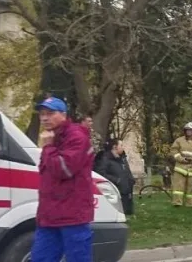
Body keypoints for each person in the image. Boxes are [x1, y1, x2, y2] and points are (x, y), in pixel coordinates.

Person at [31, 97, 95, 262]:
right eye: (42, 114)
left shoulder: (77, 137)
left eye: (50, 113)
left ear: (63, 114)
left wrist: (48, 147)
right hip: (49, 216)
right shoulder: (52, 137)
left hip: (72, 216)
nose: (45, 118)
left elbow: (63, 169)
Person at [96, 138, 136, 215]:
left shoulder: (123, 158)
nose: (123, 147)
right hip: (115, 191)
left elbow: (127, 171)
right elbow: (101, 173)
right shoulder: (105, 159)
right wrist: (116, 180)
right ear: (115, 147)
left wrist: (131, 180)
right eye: (121, 145)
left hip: (127, 191)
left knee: (128, 213)